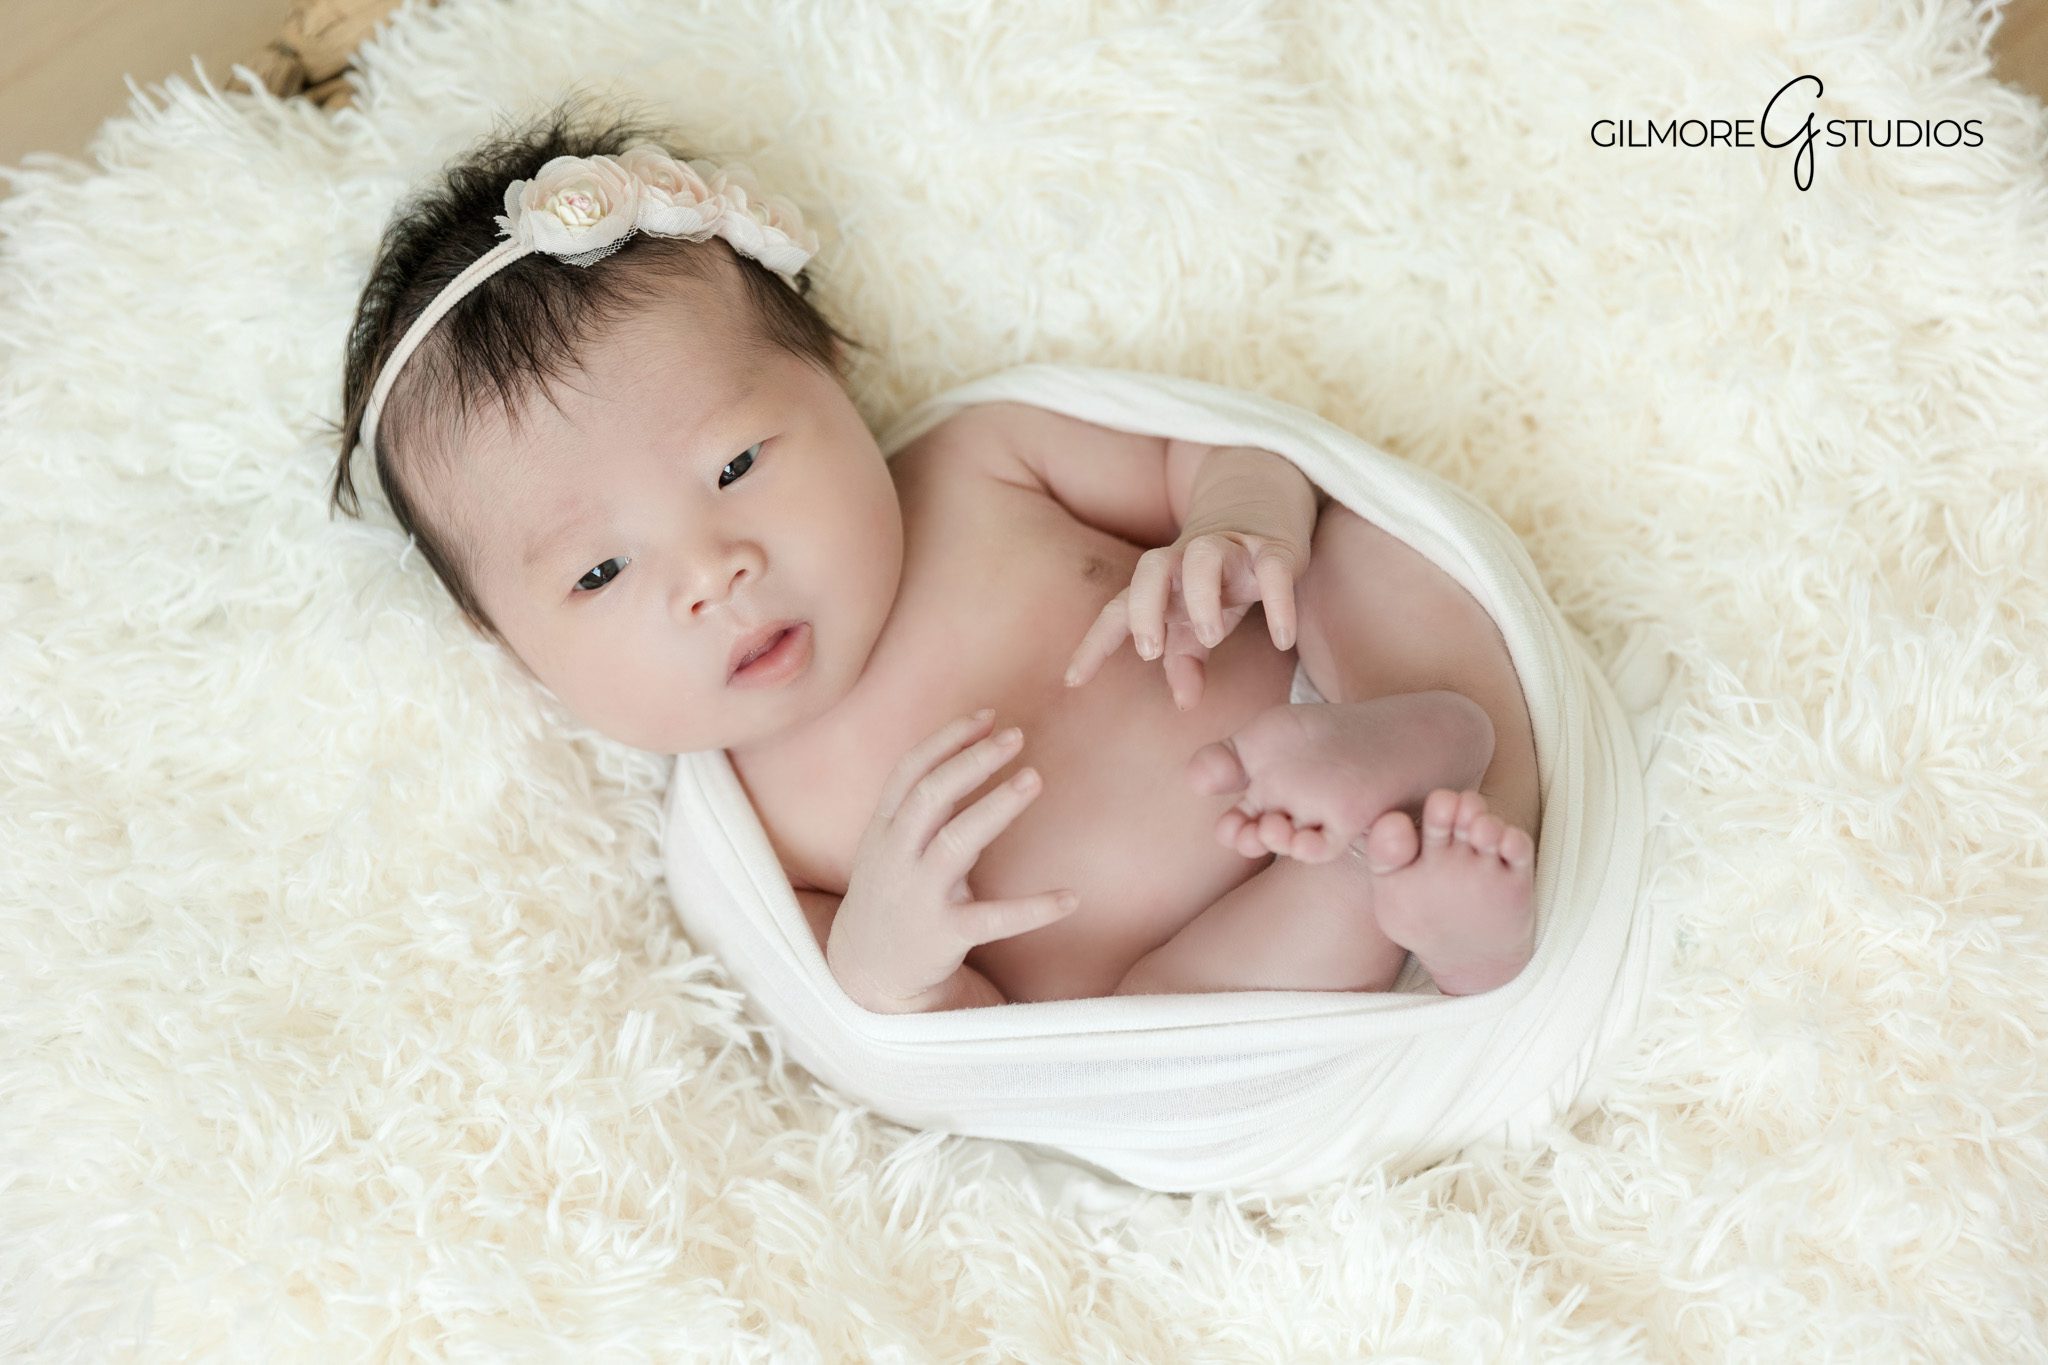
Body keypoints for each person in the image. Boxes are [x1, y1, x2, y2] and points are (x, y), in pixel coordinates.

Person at [330, 96, 1541, 1013]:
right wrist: (889, 950)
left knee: (1357, 550)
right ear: (514, 647)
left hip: (1306, 681)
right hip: (1200, 978)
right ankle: (1432, 907)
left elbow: (1215, 452)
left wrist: (1237, 526)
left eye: (736, 466)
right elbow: (922, 1045)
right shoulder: (748, 841)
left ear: (833, 381)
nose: (713, 572)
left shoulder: (979, 466)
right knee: (1138, 1032)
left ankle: (1420, 733)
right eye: (598, 574)